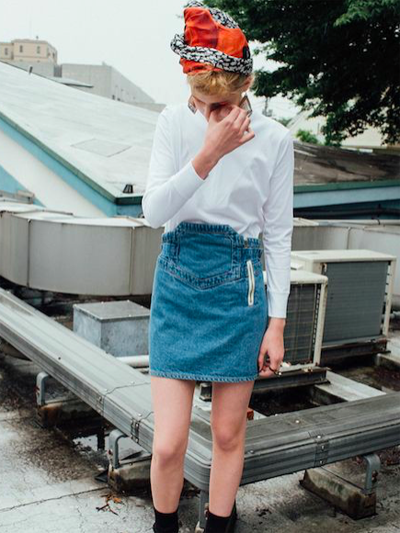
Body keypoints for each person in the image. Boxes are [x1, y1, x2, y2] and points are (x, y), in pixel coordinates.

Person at [141, 2, 294, 532]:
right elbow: (152, 212)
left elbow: (278, 234)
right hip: (177, 280)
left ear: (246, 86)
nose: (207, 112)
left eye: (219, 105)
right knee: (168, 443)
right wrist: (208, 152)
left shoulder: (275, 140)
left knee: (229, 435)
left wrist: (277, 322)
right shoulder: (172, 121)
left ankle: (219, 525)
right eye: (199, 101)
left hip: (240, 287)